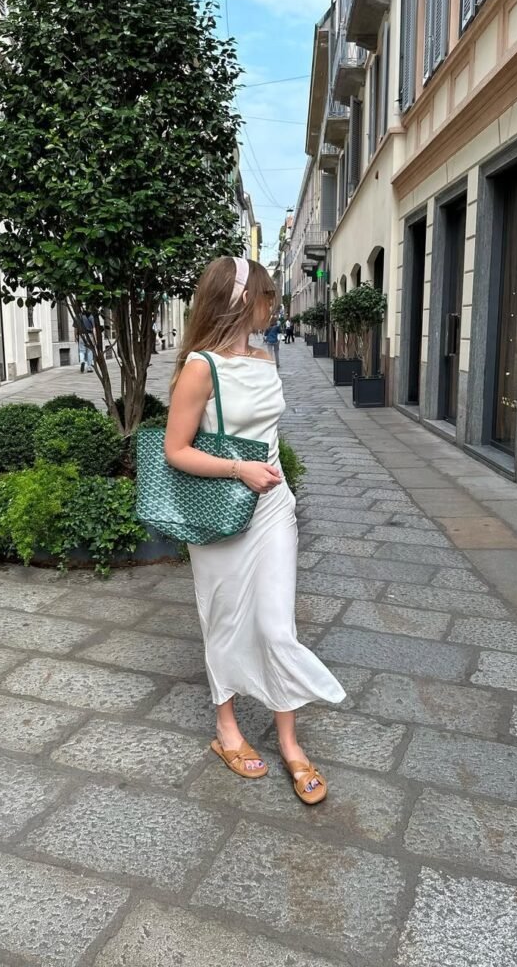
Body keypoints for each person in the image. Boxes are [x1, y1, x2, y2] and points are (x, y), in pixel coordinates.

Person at [165, 256, 345, 805]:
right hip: (221, 509)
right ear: (242, 299)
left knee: (275, 624)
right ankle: (228, 731)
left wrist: (266, 475)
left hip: (273, 507)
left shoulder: (267, 357)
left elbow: (266, 433)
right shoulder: (200, 367)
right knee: (221, 618)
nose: (274, 305)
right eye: (267, 295)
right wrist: (239, 469)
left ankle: (290, 744)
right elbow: (176, 451)